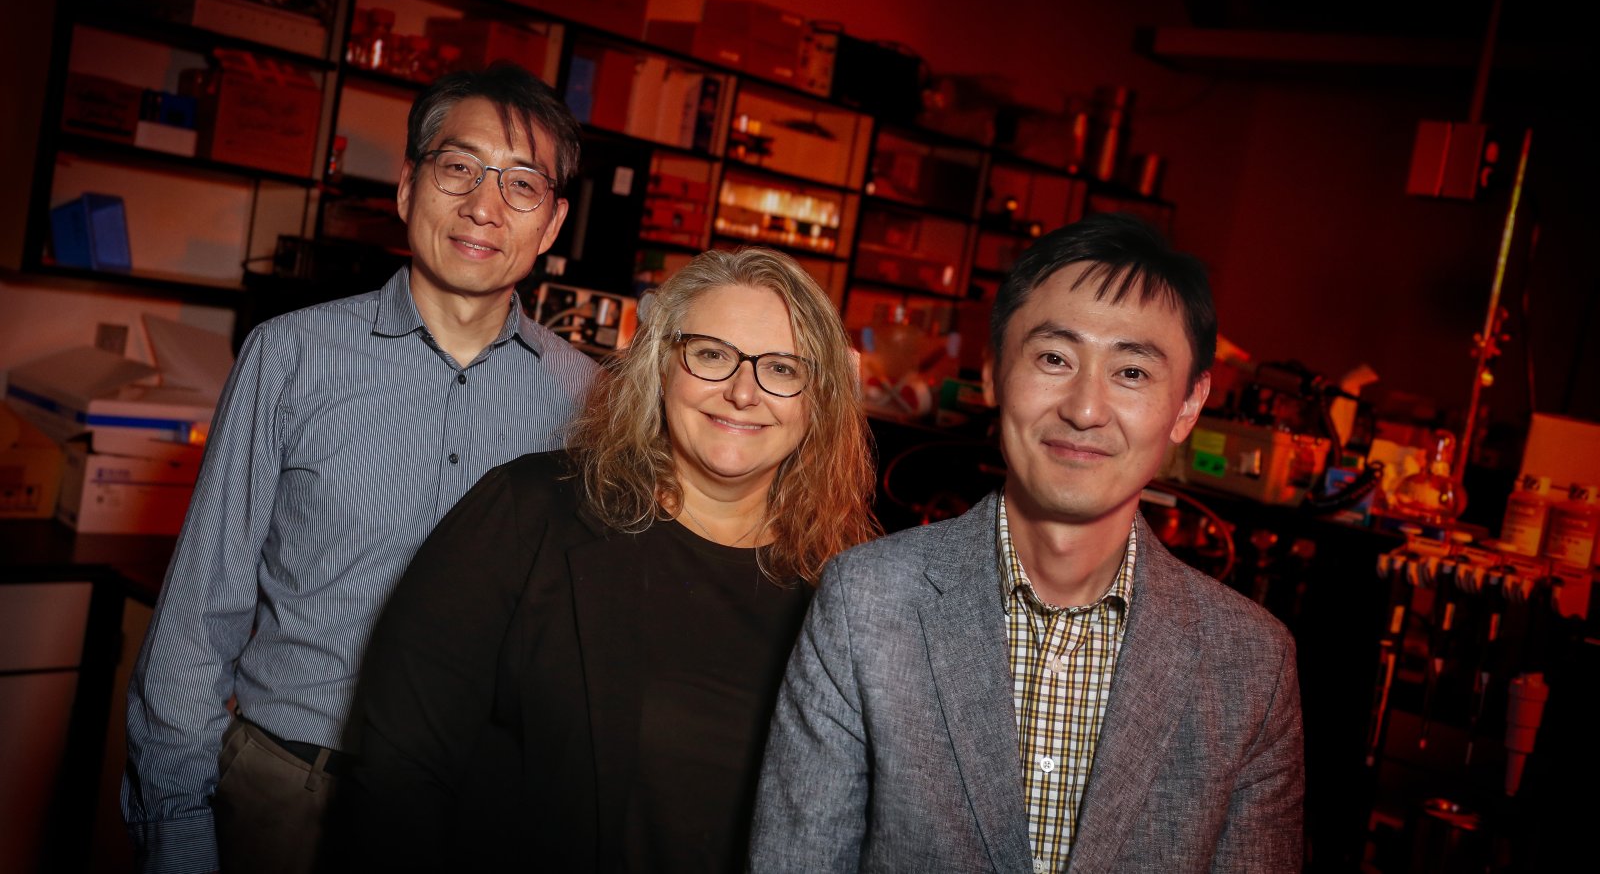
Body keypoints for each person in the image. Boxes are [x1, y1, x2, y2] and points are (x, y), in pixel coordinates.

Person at [122, 64, 597, 874]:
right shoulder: (291, 356)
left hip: (477, 813)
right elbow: (202, 612)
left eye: (523, 185)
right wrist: (177, 825)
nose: (485, 206)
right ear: (409, 187)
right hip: (291, 792)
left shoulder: (588, 401)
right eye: (460, 168)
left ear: (551, 224)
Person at [750, 213, 1306, 873]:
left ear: (1188, 405)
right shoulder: (867, 603)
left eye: (1131, 372)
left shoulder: (1251, 663)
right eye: (1053, 358)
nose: (1085, 408)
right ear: (991, 374)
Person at [335, 246, 880, 872]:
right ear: (660, 366)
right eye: (710, 355)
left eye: (782, 368)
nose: (741, 392)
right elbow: (398, 775)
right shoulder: (527, 514)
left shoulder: (848, 589)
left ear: (820, 400)